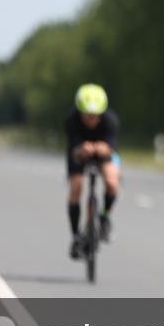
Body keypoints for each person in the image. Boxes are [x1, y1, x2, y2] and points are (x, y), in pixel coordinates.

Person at [64, 84, 120, 259]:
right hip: (79, 152)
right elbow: (74, 148)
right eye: (87, 115)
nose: (91, 119)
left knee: (112, 182)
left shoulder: (111, 121)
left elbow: (111, 149)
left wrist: (104, 149)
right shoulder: (71, 120)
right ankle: (76, 236)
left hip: (104, 152)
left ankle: (105, 216)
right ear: (79, 112)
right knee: (76, 188)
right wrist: (83, 149)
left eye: (96, 116)